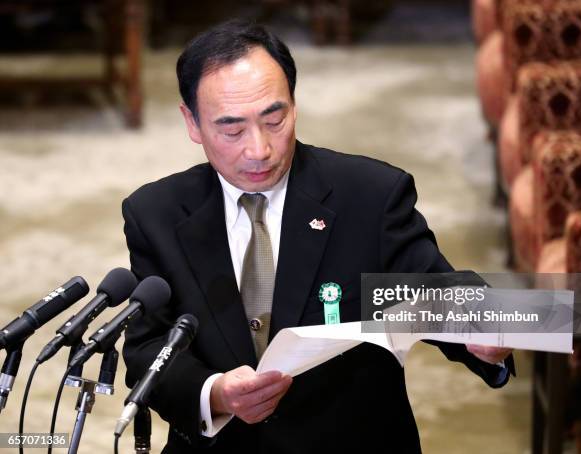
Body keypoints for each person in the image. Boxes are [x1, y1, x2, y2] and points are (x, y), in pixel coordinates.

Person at [121, 19, 514, 454]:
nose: (258, 149)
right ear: (192, 123)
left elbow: (432, 289)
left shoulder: (370, 194)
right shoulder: (155, 213)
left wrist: (480, 332)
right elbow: (146, 349)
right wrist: (213, 393)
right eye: (231, 130)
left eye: (275, 119)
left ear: (294, 104)